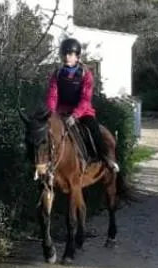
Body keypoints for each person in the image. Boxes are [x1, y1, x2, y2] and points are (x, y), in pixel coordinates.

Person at [45, 37, 119, 172]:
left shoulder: (86, 74)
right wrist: (51, 112)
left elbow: (86, 98)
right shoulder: (57, 74)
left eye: (71, 54)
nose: (67, 57)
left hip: (82, 112)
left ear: (77, 56)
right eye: (65, 54)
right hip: (61, 112)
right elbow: (52, 95)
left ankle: (106, 158)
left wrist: (75, 115)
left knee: (94, 129)